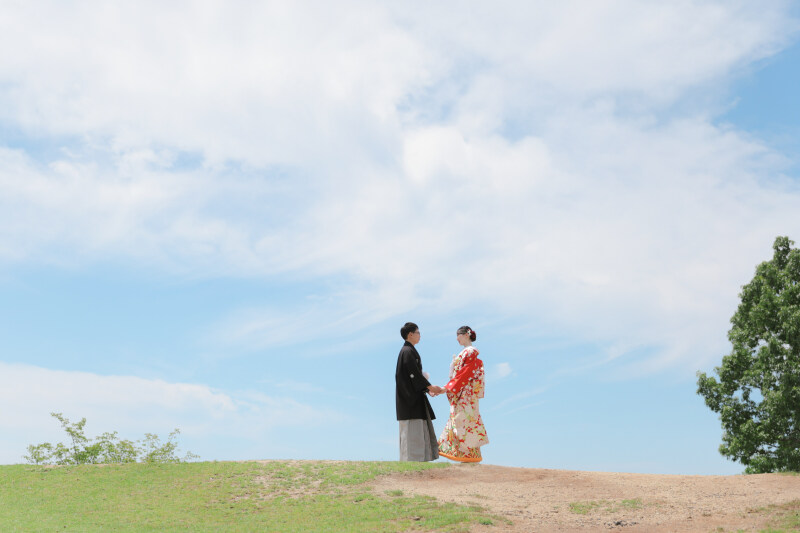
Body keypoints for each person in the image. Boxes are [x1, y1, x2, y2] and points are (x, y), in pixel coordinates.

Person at [437, 325, 489, 463]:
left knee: (463, 421)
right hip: (462, 392)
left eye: (458, 334)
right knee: (463, 421)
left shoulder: (471, 351)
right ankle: (467, 456)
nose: (457, 338)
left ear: (466, 334)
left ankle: (468, 456)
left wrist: (447, 388)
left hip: (465, 393)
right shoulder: (466, 352)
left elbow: (465, 374)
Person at [396, 322, 444, 461]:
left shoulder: (409, 351)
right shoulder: (407, 351)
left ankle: (419, 459)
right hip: (409, 400)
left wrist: (427, 389)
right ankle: (413, 460)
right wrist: (429, 387)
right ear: (410, 334)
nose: (420, 335)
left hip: (414, 398)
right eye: (418, 332)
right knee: (412, 431)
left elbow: (415, 376)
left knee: (417, 430)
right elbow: (414, 375)